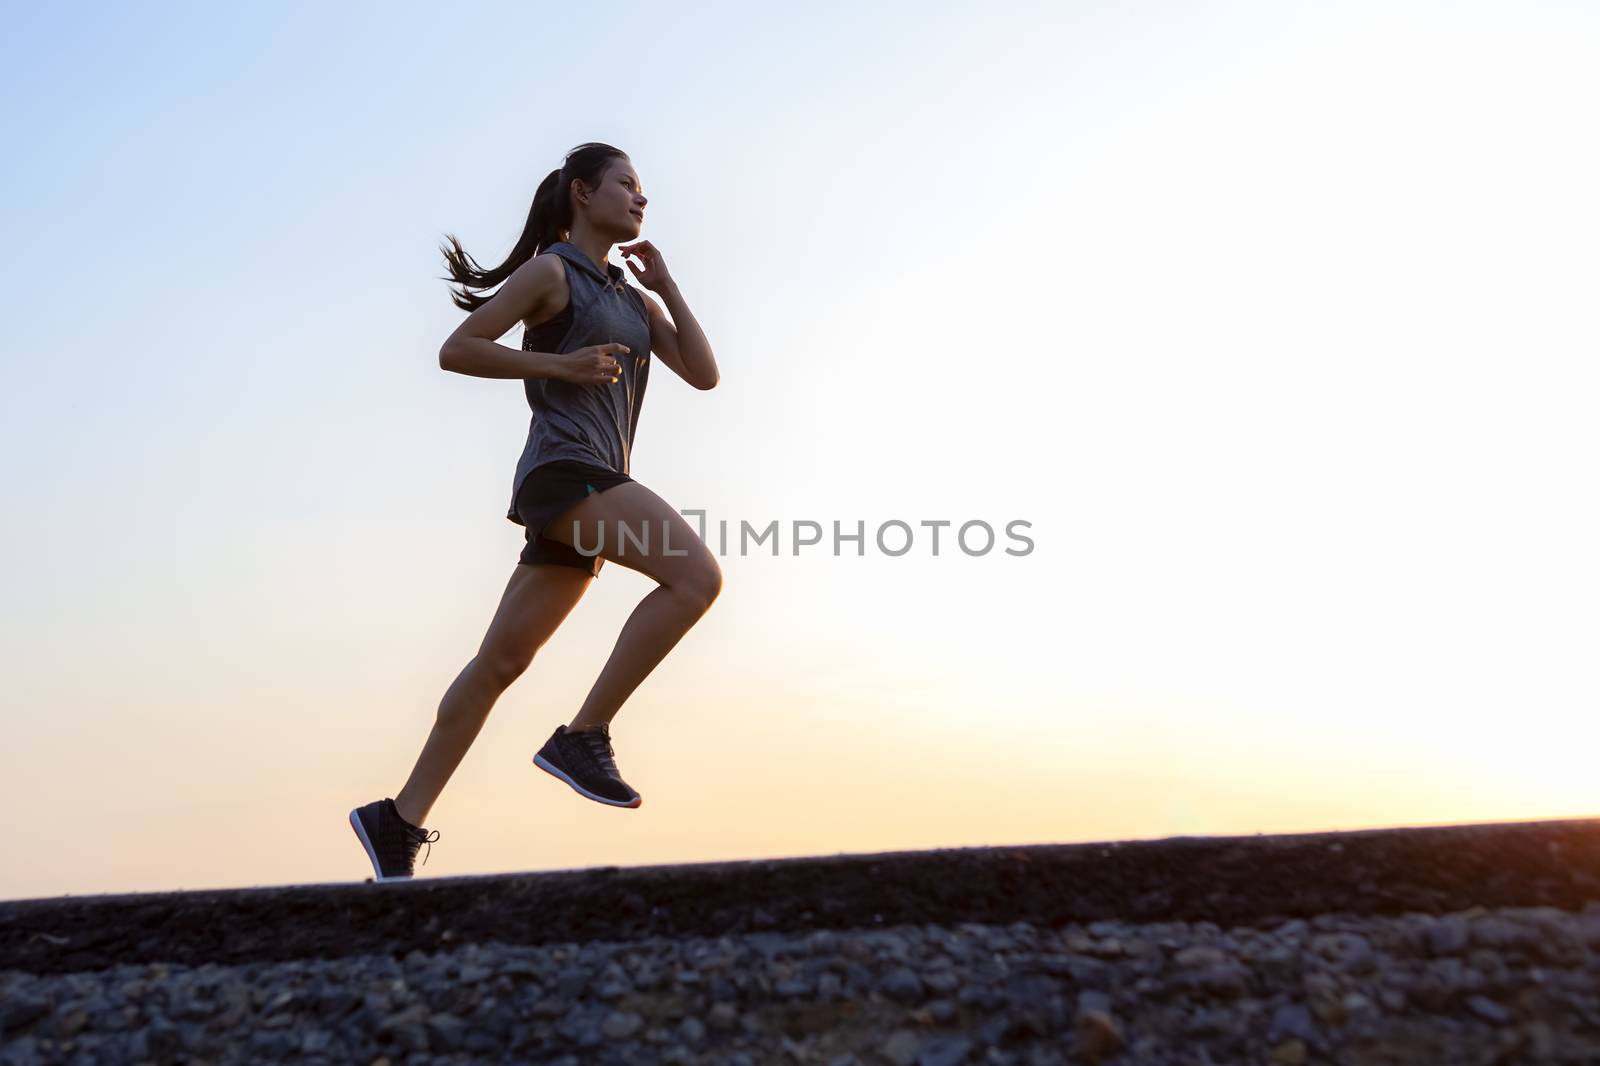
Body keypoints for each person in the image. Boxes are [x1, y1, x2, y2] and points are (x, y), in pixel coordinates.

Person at [349, 142, 722, 882]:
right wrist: (559, 364)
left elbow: (705, 376)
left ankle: (399, 819)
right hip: (564, 473)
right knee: (695, 578)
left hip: (594, 479)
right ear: (583, 194)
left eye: (644, 191)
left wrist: (670, 288)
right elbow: (459, 349)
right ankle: (584, 736)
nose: (640, 199)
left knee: (500, 662)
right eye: (626, 185)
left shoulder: (633, 299)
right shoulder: (553, 272)